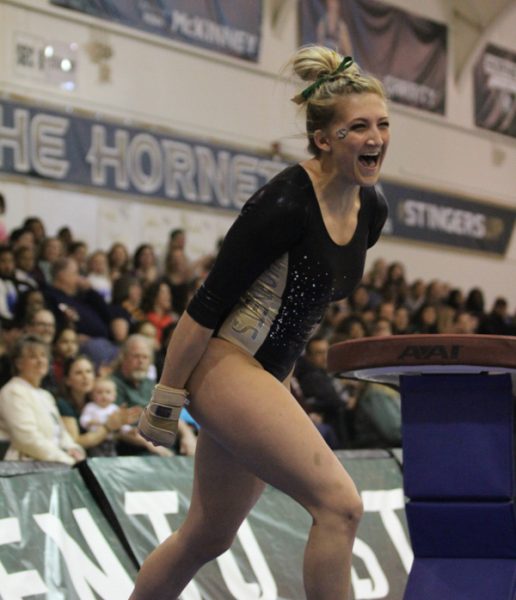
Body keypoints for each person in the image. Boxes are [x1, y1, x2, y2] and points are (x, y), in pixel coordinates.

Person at [131, 45, 390, 600]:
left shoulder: (372, 209)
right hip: (224, 365)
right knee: (340, 506)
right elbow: (206, 304)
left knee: (206, 536)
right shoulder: (283, 203)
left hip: (266, 375)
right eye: (359, 126)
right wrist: (167, 395)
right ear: (324, 139)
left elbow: (304, 310)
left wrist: (282, 381)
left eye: (383, 124)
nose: (376, 137)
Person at [0, 335, 85, 464]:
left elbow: (61, 433)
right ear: (19, 363)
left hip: (54, 465)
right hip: (25, 470)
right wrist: (65, 459)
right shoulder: (12, 391)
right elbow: (26, 439)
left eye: (43, 355)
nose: (40, 360)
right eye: (33, 357)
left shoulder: (46, 395)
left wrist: (73, 449)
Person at [111, 334, 196, 457]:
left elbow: (170, 413)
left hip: (164, 443)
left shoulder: (150, 383)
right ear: (123, 357)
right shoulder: (112, 385)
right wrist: (150, 445)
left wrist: (187, 435)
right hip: (136, 450)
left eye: (145, 357)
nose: (141, 361)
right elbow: (117, 429)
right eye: (136, 356)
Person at [79, 376, 131, 457]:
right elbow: (83, 420)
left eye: (108, 392)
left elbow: (122, 423)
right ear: (92, 395)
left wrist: (129, 430)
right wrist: (90, 422)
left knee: (112, 457)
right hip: (95, 441)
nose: (103, 395)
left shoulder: (114, 408)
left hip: (111, 441)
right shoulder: (90, 407)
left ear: (114, 396)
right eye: (99, 392)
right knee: (97, 458)